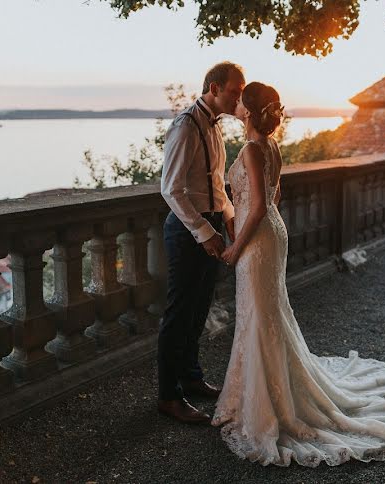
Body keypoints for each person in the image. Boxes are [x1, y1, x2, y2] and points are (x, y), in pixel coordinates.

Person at [212, 82, 385, 467]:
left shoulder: (250, 149)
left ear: (248, 112)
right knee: (268, 313)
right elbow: (275, 197)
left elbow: (261, 205)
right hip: (273, 235)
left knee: (261, 315)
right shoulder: (272, 147)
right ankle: (262, 392)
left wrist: (234, 246)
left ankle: (265, 403)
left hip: (258, 239)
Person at [157, 62, 245, 423]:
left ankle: (191, 379)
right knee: (178, 315)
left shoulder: (215, 126)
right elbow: (172, 189)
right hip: (186, 230)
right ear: (214, 87)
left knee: (198, 310)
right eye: (234, 92)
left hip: (210, 225)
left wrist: (230, 223)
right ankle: (168, 396)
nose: (239, 98)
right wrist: (205, 234)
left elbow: (217, 187)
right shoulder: (186, 125)